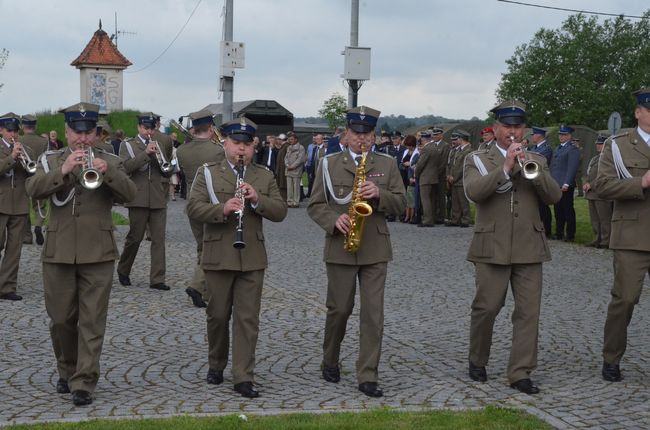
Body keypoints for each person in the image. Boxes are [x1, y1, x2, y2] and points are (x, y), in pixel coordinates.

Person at [25, 102, 136, 406]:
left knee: (92, 321)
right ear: (67, 131)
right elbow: (32, 189)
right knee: (61, 319)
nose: (83, 139)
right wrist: (63, 170)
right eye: (78, 132)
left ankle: (84, 381)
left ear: (97, 133)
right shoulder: (49, 160)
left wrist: (108, 171)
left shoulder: (111, 159)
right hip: (59, 251)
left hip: (98, 253)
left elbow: (131, 194)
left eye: (89, 133)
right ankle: (67, 369)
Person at [463, 100, 561, 395]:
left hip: (529, 246)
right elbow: (474, 192)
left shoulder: (537, 159)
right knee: (487, 307)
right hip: (491, 244)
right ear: (496, 128)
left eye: (518, 126)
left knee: (529, 312)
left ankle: (520, 372)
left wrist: (534, 172)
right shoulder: (477, 159)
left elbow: (554, 197)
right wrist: (505, 169)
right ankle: (477, 358)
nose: (513, 132)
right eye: (507, 126)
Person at [307, 105, 406, 398]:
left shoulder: (387, 164)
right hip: (341, 246)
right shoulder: (328, 163)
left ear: (373, 136)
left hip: (375, 247)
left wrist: (381, 194)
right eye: (356, 133)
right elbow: (314, 205)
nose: (362, 138)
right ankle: (330, 359)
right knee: (339, 310)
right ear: (346, 135)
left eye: (367, 133)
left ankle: (368, 375)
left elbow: (401, 202)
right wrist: (332, 220)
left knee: (373, 314)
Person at [186, 117, 287, 398]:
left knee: (247, 319)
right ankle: (216, 363)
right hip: (218, 254)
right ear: (225, 143)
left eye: (247, 144)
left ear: (254, 146)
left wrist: (257, 200)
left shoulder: (263, 175)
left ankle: (243, 376)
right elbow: (193, 207)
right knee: (217, 315)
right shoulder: (208, 173)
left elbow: (280, 211)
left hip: (252, 256)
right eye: (236, 143)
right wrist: (222, 209)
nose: (241, 149)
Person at [594, 87, 650, 383]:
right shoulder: (619, 146)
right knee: (625, 299)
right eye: (649, 110)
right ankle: (611, 357)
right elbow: (602, 185)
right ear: (638, 112)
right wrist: (639, 182)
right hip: (632, 234)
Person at [117, 113, 172, 291]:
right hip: (137, 197)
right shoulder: (128, 145)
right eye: (146, 128)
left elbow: (166, 170)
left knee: (158, 240)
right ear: (139, 127)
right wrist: (146, 153)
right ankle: (123, 269)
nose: (149, 131)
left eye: (152, 128)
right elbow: (125, 168)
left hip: (157, 197)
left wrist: (167, 166)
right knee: (135, 238)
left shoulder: (161, 144)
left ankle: (157, 279)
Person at [176, 110, 225, 308]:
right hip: (213, 203)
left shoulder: (181, 150)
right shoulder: (218, 150)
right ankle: (197, 286)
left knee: (202, 245)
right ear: (211, 128)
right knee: (213, 246)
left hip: (192, 203)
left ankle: (204, 289)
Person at [0, 113, 35, 301]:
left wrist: (25, 160)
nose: (13, 134)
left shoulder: (25, 149)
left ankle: (7, 287)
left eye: (15, 131)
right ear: (1, 131)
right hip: (1, 203)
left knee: (14, 250)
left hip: (20, 204)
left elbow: (32, 173)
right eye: (9, 130)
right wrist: (12, 158)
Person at [19, 114, 48, 245]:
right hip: (39, 175)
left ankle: (27, 236)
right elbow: (46, 159)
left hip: (22, 176)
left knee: (23, 206)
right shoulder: (43, 141)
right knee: (40, 206)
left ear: (22, 126)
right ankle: (38, 225)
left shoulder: (18, 140)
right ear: (35, 126)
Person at [550, 125, 580, 241]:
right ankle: (559, 232)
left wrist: (567, 183)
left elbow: (572, 167)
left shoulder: (572, 148)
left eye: (563, 135)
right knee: (558, 210)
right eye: (560, 134)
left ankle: (570, 235)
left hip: (565, 184)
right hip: (556, 184)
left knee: (568, 210)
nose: (561, 137)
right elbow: (554, 167)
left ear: (569, 136)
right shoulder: (558, 148)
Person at [583, 134, 612, 248]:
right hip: (591, 193)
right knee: (595, 218)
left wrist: (591, 184)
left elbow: (604, 176)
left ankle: (606, 241)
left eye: (600, 144)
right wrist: (585, 182)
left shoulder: (608, 158)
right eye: (597, 144)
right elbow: (588, 173)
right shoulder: (595, 158)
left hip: (601, 192)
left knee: (604, 218)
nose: (598, 146)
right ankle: (597, 239)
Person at [413, 129, 441, 227]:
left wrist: (416, 173)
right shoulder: (435, 147)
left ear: (424, 139)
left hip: (425, 178)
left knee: (425, 200)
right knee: (432, 199)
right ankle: (432, 218)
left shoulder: (426, 149)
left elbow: (421, 164)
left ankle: (427, 220)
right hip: (434, 177)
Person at [529, 127, 553, 238]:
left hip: (541, 179)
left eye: (533, 134)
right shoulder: (534, 148)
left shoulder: (546, 149)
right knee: (535, 205)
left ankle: (547, 230)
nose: (532, 136)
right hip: (532, 180)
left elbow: (539, 161)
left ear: (539, 135)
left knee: (543, 206)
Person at [446, 130, 472, 227]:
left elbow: (463, 167)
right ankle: (455, 219)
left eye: (458, 138)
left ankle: (465, 220)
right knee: (455, 201)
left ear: (461, 139)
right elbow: (452, 165)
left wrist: (454, 177)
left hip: (461, 180)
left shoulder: (468, 150)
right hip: (454, 179)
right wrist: (449, 176)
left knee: (463, 201)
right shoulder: (459, 150)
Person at [284, 131, 306, 208]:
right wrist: (287, 165)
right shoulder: (289, 147)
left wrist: (292, 166)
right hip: (288, 170)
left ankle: (296, 202)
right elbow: (286, 158)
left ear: (296, 139)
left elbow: (300, 159)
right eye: (289, 139)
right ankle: (289, 201)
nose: (290, 141)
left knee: (296, 187)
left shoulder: (301, 148)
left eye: (292, 139)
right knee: (289, 187)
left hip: (296, 171)